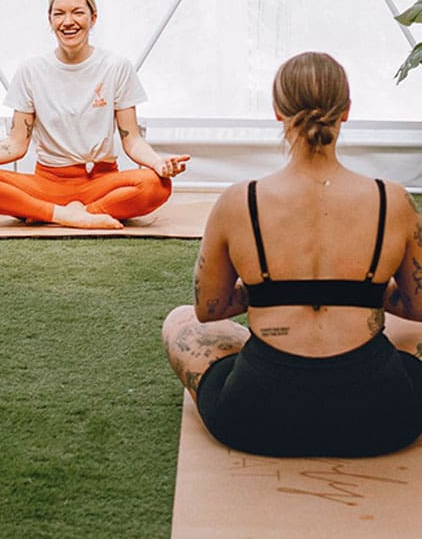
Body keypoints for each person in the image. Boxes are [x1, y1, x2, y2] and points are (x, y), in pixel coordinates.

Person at [162, 51, 422, 457]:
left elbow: (207, 309)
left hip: (257, 414)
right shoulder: (393, 200)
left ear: (278, 112)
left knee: (179, 321)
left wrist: (273, 291)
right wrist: (361, 290)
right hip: (383, 415)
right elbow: (419, 306)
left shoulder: (239, 200)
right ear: (347, 112)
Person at [0, 0, 190, 229]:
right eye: (59, 14)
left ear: (93, 18)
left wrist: (158, 164)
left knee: (157, 185)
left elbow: (132, 139)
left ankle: (66, 213)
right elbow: (16, 143)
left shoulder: (116, 67)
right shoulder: (31, 71)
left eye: (78, 12)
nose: (68, 22)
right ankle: (70, 216)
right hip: (49, 183)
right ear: (50, 21)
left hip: (101, 181)